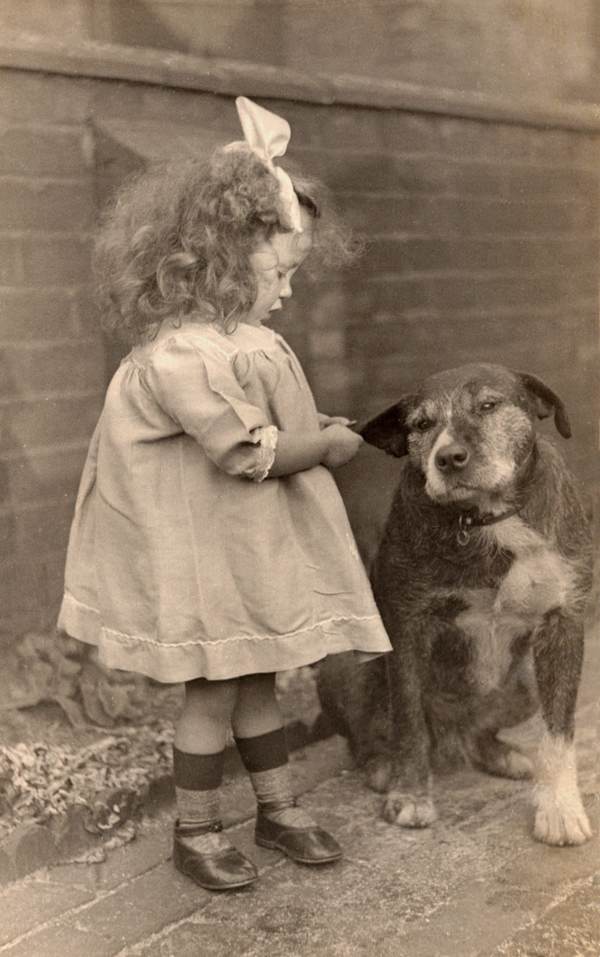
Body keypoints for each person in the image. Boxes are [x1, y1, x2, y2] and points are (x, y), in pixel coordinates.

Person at [58, 97, 391, 891]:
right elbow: (248, 450)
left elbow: (282, 425)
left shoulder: (250, 341)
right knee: (212, 688)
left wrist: (318, 428)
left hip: (244, 550)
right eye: (278, 273)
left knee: (260, 680)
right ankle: (196, 829)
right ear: (219, 262)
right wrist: (328, 446)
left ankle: (276, 806)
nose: (286, 290)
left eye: (293, 274)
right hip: (203, 556)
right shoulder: (179, 357)